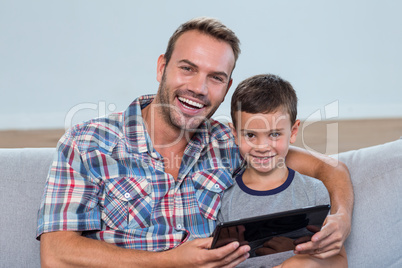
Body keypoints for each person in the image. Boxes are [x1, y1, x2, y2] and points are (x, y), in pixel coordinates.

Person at [37, 17, 353, 267]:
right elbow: (57, 254)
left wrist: (340, 218)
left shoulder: (230, 141)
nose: (199, 88)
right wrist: (167, 262)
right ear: (162, 67)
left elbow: (331, 169)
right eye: (187, 69)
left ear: (226, 87)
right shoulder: (88, 143)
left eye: (215, 77)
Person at [217, 74, 347, 267]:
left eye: (275, 134)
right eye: (251, 135)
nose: (262, 147)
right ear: (234, 134)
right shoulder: (225, 197)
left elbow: (339, 261)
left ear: (293, 132)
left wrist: (300, 261)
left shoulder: (313, 191)